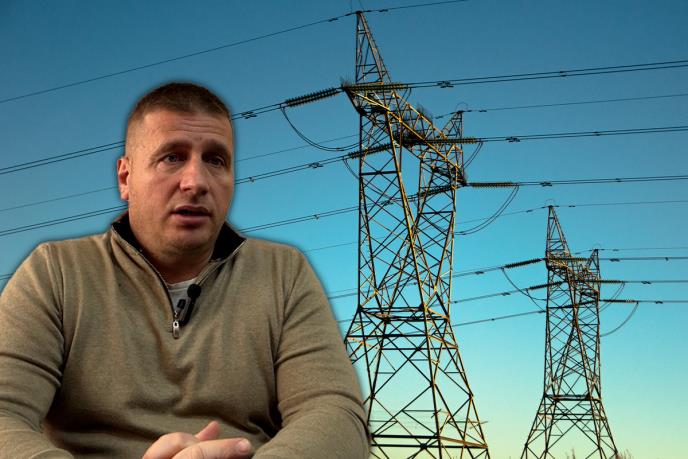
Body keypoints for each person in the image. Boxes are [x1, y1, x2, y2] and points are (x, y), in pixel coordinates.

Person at [0, 83, 369, 458]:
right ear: (126, 178)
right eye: (172, 157)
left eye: (216, 161)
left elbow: (335, 415)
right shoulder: (56, 272)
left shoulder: (284, 274)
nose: (196, 182)